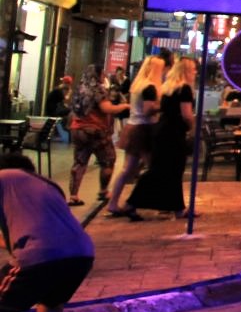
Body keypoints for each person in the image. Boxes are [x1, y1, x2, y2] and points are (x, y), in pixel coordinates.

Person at [0, 153, 96, 312]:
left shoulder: (3, 177)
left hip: (40, 253)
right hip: (81, 253)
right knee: (51, 299)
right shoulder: (48, 184)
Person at [126, 58, 197, 220]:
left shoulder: (168, 88)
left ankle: (177, 208)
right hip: (174, 133)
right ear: (186, 71)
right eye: (193, 69)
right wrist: (192, 127)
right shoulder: (184, 89)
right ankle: (132, 203)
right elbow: (186, 114)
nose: (195, 72)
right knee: (172, 170)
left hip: (162, 130)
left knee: (161, 169)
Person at [106, 56, 165, 219]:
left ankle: (114, 202)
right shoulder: (150, 87)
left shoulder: (137, 85)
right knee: (152, 168)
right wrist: (163, 106)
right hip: (144, 129)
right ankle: (134, 203)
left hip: (133, 126)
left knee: (128, 169)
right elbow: (148, 110)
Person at [66, 67, 122, 207]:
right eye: (102, 74)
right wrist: (124, 106)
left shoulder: (79, 89)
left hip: (78, 129)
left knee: (79, 162)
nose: (104, 76)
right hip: (95, 130)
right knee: (108, 160)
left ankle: (73, 196)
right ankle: (103, 191)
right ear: (97, 75)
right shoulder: (97, 89)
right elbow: (106, 108)